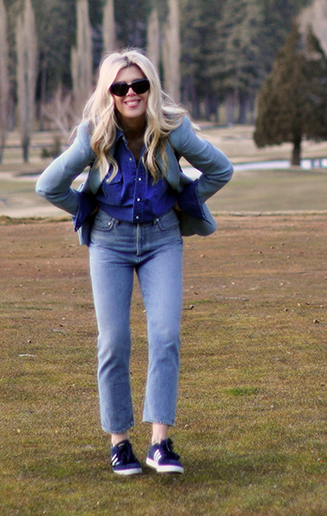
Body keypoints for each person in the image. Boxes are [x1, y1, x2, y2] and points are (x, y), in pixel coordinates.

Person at [36, 50, 233, 476]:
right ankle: (119, 444)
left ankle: (160, 444)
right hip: (109, 243)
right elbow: (48, 184)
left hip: (163, 239)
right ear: (109, 92)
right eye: (121, 86)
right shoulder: (93, 134)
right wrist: (85, 208)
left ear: (151, 88)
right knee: (114, 342)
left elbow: (221, 170)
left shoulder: (172, 129)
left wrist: (186, 203)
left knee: (164, 335)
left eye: (139, 85)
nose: (131, 93)